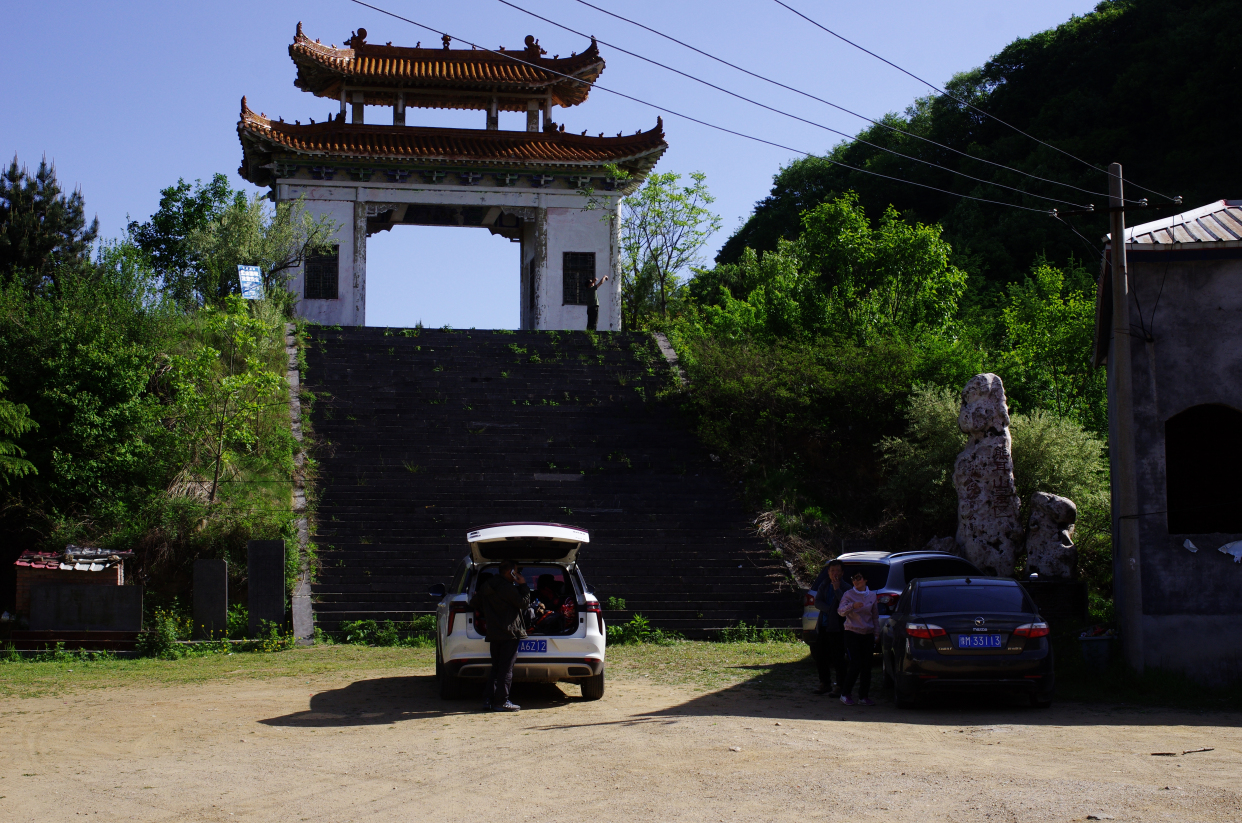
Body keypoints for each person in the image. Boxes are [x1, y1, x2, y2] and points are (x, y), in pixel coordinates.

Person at [475, 560, 530, 712]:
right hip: (509, 633)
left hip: (494, 632)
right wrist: (523, 585)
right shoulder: (508, 588)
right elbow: (524, 603)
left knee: (496, 667)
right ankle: (501, 701)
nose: (518, 574)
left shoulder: (487, 586)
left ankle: (488, 699)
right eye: (516, 571)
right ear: (509, 572)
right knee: (506, 669)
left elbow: (474, 602)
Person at [836, 571, 880, 706]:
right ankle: (845, 693)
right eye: (853, 578)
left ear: (865, 580)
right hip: (852, 633)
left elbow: (875, 616)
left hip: (867, 634)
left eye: (859, 578)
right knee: (856, 664)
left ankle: (863, 696)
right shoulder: (848, 594)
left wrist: (876, 633)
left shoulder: (872, 596)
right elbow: (841, 611)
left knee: (867, 666)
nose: (856, 581)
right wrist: (852, 606)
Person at [812, 560, 849, 697]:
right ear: (828, 572)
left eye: (837, 571)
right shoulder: (824, 584)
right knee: (820, 655)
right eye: (832, 571)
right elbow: (817, 602)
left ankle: (840, 686)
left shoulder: (846, 587)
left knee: (838, 658)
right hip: (823, 625)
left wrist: (837, 588)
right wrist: (830, 610)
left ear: (842, 573)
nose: (835, 573)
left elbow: (845, 603)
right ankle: (825, 683)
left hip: (838, 628)